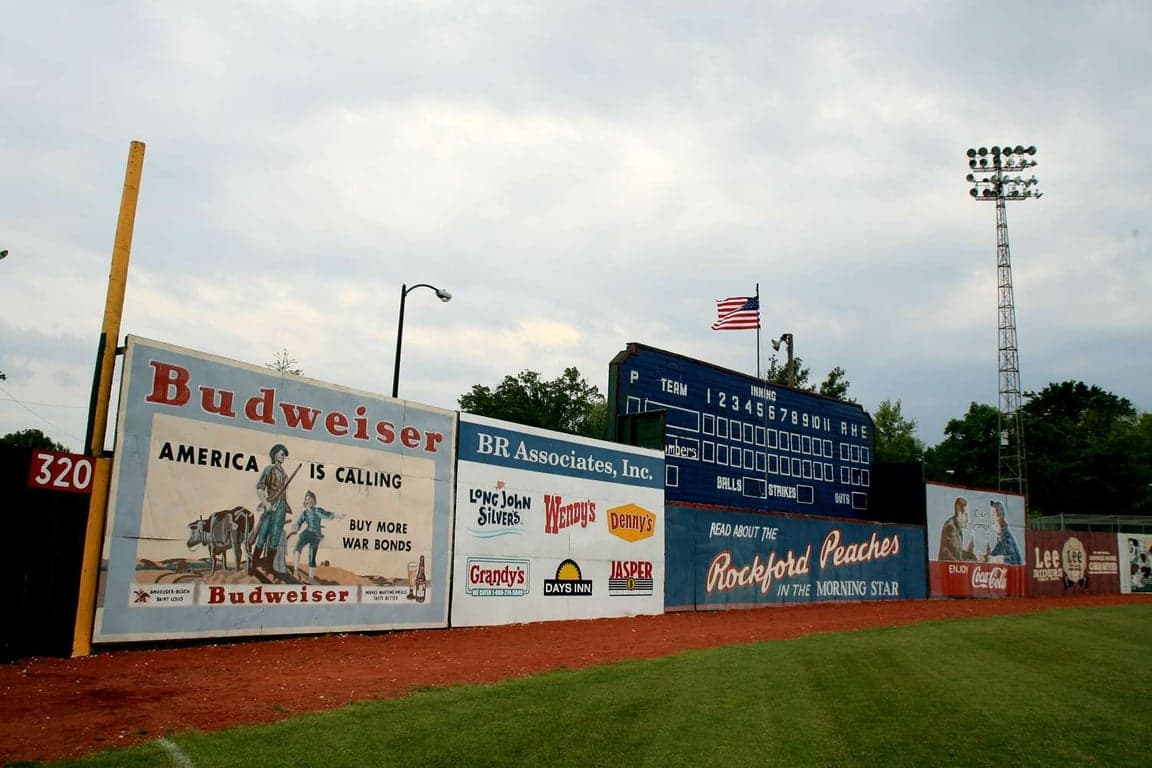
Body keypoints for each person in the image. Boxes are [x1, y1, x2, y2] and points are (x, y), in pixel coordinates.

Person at [252, 444, 295, 576]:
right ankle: (253, 565)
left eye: (284, 455)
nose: (283, 457)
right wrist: (266, 503)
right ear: (275, 455)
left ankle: (269, 567)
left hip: (281, 507)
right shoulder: (268, 470)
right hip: (270, 505)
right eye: (282, 454)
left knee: (275, 537)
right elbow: (260, 488)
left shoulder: (285, 474)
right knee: (262, 535)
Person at [292, 490, 342, 582]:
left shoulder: (317, 510)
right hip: (307, 532)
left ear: (313, 501)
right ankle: (295, 570)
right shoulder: (304, 513)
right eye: (306, 499)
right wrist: (296, 527)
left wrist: (338, 516)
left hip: (316, 535)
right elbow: (298, 524)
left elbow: (327, 515)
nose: (308, 501)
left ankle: (311, 578)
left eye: (310, 499)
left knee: (312, 556)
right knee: (298, 546)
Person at [938, 496, 976, 561]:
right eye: (966, 515)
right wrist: (974, 560)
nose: (968, 520)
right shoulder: (951, 527)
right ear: (959, 512)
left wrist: (972, 555)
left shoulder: (956, 527)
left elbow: (958, 552)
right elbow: (957, 556)